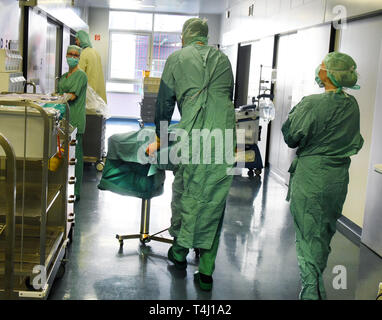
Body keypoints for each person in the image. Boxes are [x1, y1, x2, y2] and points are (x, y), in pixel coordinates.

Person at [147, 18, 236, 291]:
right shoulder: (224, 60)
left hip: (194, 137)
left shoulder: (177, 58)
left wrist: (160, 137)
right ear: (205, 36)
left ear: (185, 35)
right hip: (224, 137)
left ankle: (179, 251)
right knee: (214, 202)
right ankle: (206, 271)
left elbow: (164, 102)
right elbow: (227, 97)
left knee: (188, 193)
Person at [281, 52, 364, 300]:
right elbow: (355, 141)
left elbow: (291, 137)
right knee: (324, 233)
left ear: (328, 73)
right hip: (337, 179)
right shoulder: (352, 105)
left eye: (322, 66)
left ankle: (310, 292)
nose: (319, 68)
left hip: (312, 177)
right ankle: (317, 286)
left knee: (307, 236)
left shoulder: (311, 103)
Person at [58, 45, 88, 201]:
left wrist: (60, 98)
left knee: (75, 156)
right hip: (63, 120)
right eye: (69, 54)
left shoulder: (81, 76)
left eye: (75, 55)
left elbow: (72, 96)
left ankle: (75, 191)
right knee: (64, 156)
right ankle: (64, 186)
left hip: (75, 119)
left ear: (79, 57)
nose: (72, 57)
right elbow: (59, 93)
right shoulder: (64, 76)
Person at [75, 30, 107, 103]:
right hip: (98, 93)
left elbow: (79, 75)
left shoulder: (84, 54)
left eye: (77, 40)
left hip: (89, 94)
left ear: (82, 39)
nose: (76, 42)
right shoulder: (95, 52)